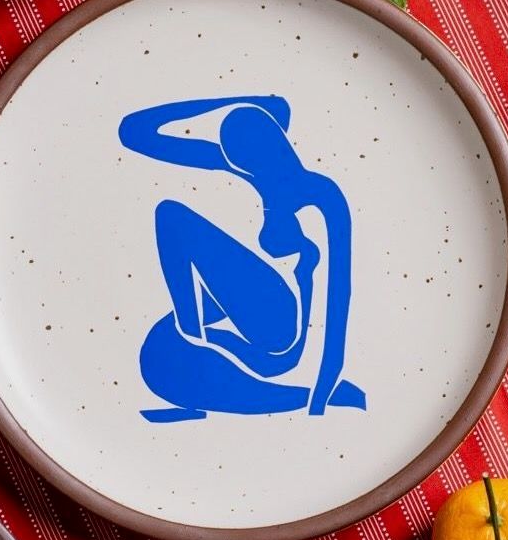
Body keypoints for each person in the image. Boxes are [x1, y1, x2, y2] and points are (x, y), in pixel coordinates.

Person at [118, 96, 365, 422]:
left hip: (284, 330)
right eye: (238, 161)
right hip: (261, 318)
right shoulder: (249, 172)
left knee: (172, 217)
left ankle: (194, 339)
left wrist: (321, 393)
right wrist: (245, 101)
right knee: (160, 349)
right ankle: (195, 361)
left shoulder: (320, 194)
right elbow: (135, 132)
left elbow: (338, 295)